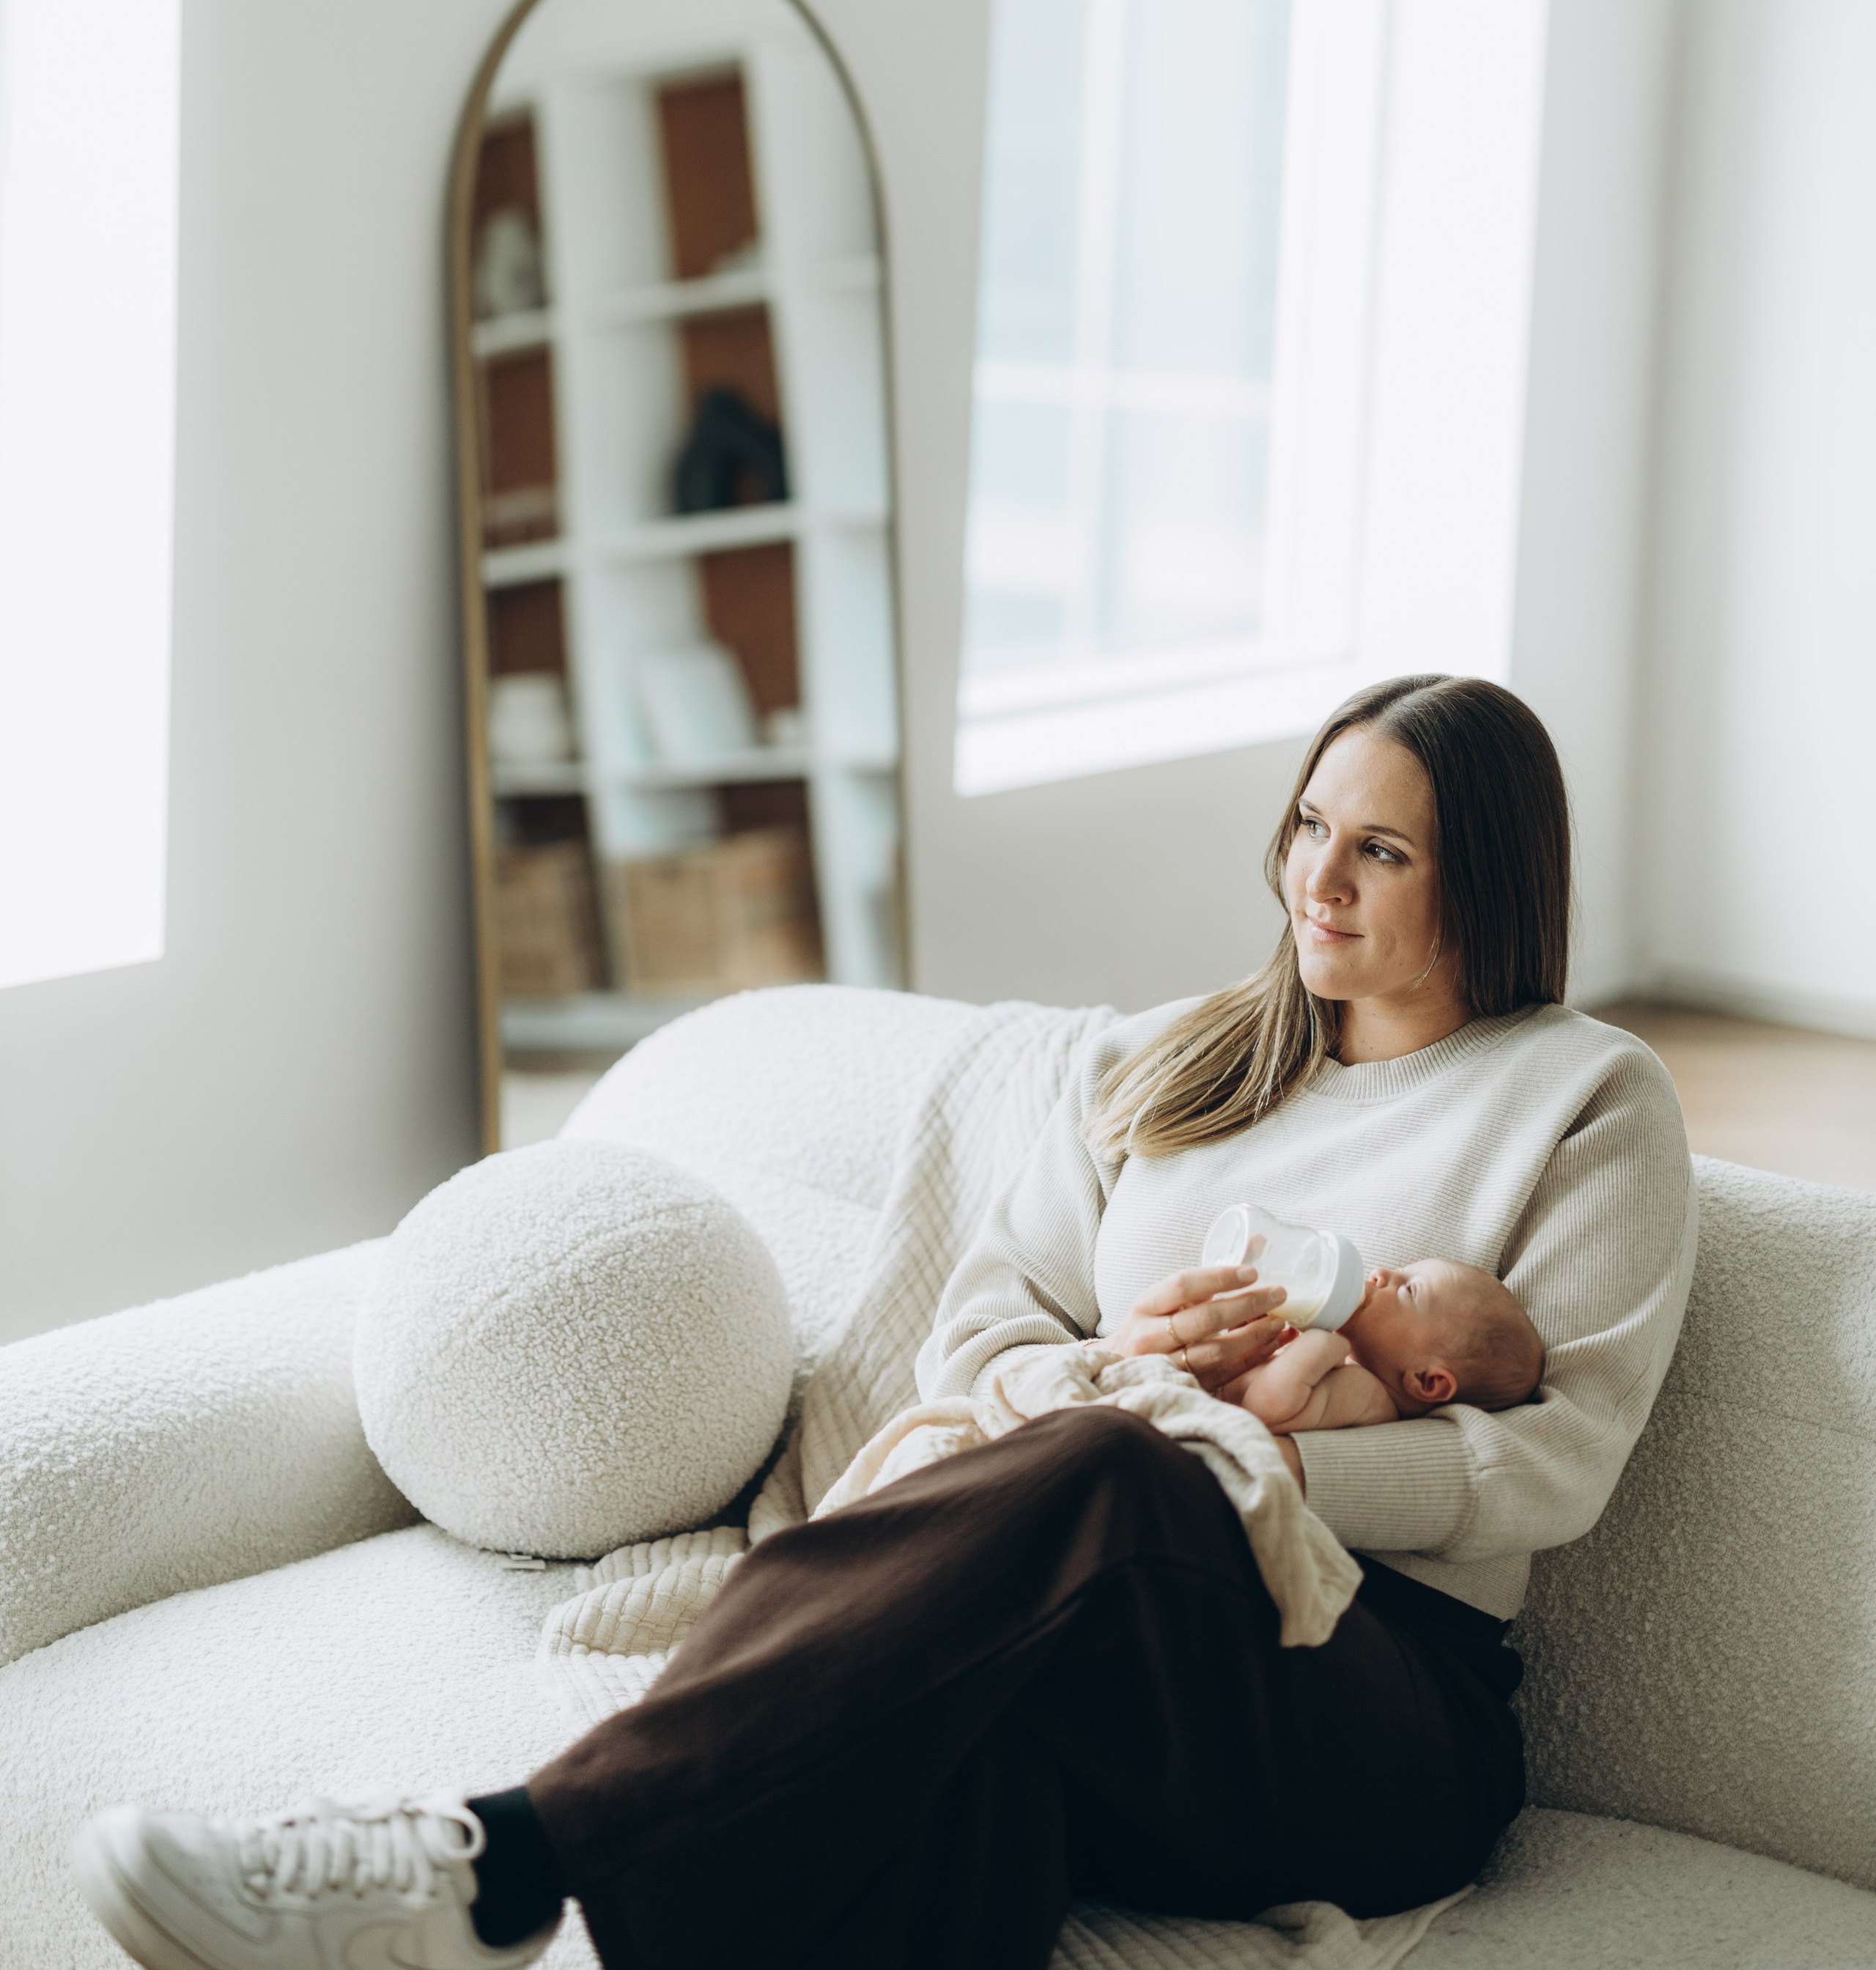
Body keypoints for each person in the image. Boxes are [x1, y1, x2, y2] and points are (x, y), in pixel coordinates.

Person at [73, 674, 1698, 1970]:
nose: (1312, 880)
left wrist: (1225, 1460)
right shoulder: (1184, 1064)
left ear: (1477, 869)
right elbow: (977, 1355)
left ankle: (493, 1863)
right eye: (1303, 826)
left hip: (1370, 1702)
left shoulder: (1580, 1097)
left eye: (1378, 850)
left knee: (1113, 1485)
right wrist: (1131, 1373)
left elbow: (1556, 1465)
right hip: (1100, 1651)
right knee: (955, 1781)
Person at [1234, 1258, 1546, 1436]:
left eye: (1409, 1289)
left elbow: (1264, 1409)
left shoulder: (1367, 1398)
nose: (1381, 1274)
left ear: (1427, 1380)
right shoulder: (1352, 1373)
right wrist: (1251, 1348)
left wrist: (1321, 1335)